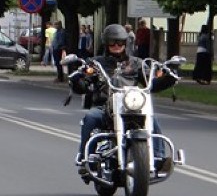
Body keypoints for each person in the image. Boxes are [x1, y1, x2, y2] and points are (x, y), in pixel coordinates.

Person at [71, 23, 176, 174]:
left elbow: (151, 83)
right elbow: (84, 84)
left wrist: (168, 78)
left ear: (125, 43)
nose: (116, 45)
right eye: (112, 42)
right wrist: (77, 80)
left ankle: (158, 159)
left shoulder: (136, 63)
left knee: (151, 119)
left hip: (130, 106)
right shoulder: (96, 63)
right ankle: (85, 158)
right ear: (106, 44)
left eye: (119, 42)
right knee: (90, 118)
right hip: (104, 107)